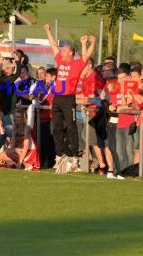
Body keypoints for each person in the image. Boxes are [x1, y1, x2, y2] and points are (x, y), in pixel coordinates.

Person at [44, 23, 95, 173]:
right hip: (58, 98)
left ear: (71, 53)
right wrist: (48, 31)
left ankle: (74, 158)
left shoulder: (77, 64)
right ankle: (60, 155)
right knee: (56, 128)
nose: (62, 50)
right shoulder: (60, 61)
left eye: (65, 49)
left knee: (71, 128)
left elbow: (86, 55)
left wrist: (89, 43)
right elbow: (53, 45)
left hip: (68, 99)